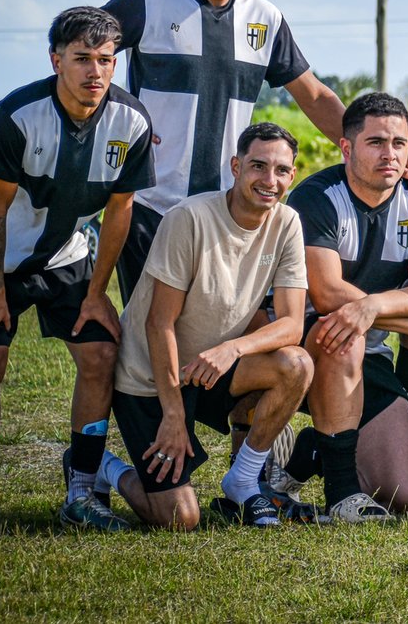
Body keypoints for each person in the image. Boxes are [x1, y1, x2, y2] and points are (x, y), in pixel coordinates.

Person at [0, 7, 155, 535]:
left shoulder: (131, 121)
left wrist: (97, 292)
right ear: (55, 60)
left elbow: (120, 210)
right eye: (82, 58)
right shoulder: (18, 114)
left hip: (64, 254)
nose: (95, 71)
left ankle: (81, 494)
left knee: (100, 355)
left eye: (105, 60)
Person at [102, 0, 347, 301]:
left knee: (216, 327)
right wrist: (120, 118)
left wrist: (363, 147)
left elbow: (316, 96)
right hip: (150, 205)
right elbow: (84, 52)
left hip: (224, 210)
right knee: (149, 329)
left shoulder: (264, 18)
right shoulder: (147, 0)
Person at [103, 122, 314, 530]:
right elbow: (158, 323)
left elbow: (291, 325)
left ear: (292, 175)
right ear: (236, 166)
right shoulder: (189, 218)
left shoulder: (287, 222)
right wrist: (172, 413)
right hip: (151, 377)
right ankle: (102, 466)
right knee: (179, 517)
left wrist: (233, 348)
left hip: (209, 367)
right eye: (258, 166)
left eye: (282, 170)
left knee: (297, 365)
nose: (270, 180)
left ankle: (242, 480)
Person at [273, 92, 408, 521]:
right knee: (345, 330)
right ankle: (342, 494)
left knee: (407, 494)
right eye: (375, 142)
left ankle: (314, 450)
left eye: (399, 143)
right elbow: (327, 294)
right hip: (298, 349)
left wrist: (372, 307)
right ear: (346, 147)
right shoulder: (317, 197)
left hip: (365, 356)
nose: (389, 154)